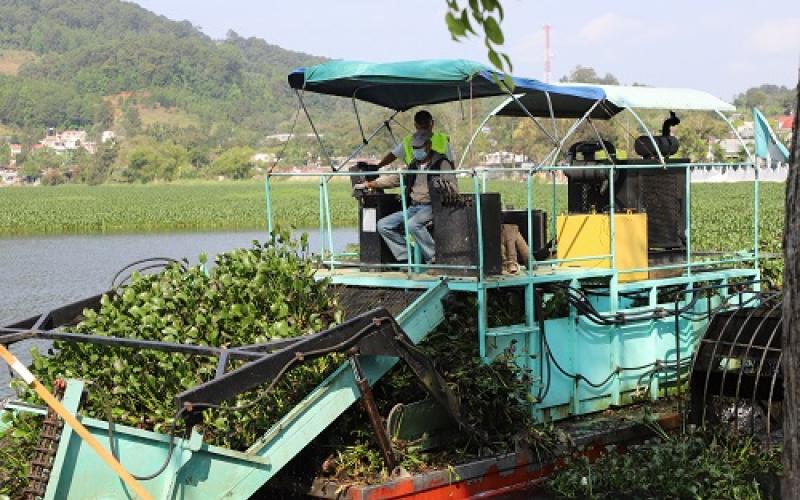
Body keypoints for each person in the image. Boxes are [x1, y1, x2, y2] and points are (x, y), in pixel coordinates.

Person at [355, 130, 455, 264]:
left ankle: (434, 258)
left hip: (433, 206)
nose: (416, 151)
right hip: (414, 207)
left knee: (413, 224)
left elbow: (452, 186)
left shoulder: (442, 163)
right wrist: (370, 184)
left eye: (419, 148)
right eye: (414, 148)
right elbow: (396, 179)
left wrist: (443, 198)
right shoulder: (414, 165)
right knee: (383, 225)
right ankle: (409, 256)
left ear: (428, 146)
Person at [377, 110, 453, 167]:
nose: (423, 131)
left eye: (426, 127)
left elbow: (451, 162)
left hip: (437, 178)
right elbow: (393, 155)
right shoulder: (408, 141)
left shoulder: (443, 139)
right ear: (415, 125)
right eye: (420, 127)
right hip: (413, 177)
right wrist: (378, 166)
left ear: (432, 123)